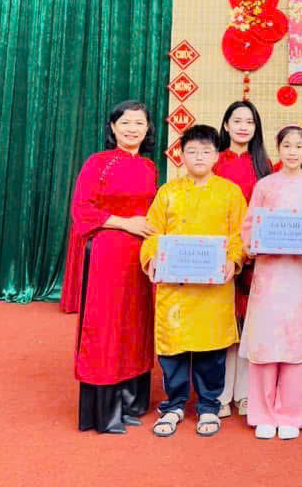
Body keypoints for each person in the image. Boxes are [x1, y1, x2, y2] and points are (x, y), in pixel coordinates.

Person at [140, 124, 246, 438]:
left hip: (213, 288)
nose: (199, 157)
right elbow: (153, 231)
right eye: (192, 151)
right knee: (172, 347)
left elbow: (239, 234)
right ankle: (173, 405)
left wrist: (234, 259)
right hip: (176, 288)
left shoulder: (230, 192)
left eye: (206, 151)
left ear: (217, 155)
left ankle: (209, 406)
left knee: (211, 349)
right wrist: (152, 257)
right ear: (181, 155)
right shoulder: (168, 192)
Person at [240, 124, 302, 440]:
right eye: (287, 146)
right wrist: (254, 243)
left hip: (299, 277)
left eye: (298, 146)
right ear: (277, 149)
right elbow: (249, 225)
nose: (292, 152)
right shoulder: (265, 186)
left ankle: (291, 413)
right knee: (266, 339)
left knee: (296, 340)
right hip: (269, 275)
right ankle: (263, 413)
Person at [72, 101, 158, 434]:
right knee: (106, 325)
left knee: (135, 325)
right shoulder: (98, 162)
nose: (132, 129)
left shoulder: (149, 167)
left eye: (139, 123)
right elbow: (82, 209)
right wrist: (125, 223)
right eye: (126, 123)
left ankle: (130, 403)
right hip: (108, 252)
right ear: (112, 127)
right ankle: (104, 412)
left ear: (148, 129)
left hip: (140, 256)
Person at [213, 100, 274, 420]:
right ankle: (220, 394)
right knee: (222, 325)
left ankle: (247, 394)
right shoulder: (213, 161)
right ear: (225, 125)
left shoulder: (265, 165)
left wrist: (254, 246)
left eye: (249, 122)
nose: (243, 127)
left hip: (256, 256)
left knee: (251, 326)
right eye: (237, 120)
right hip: (221, 255)